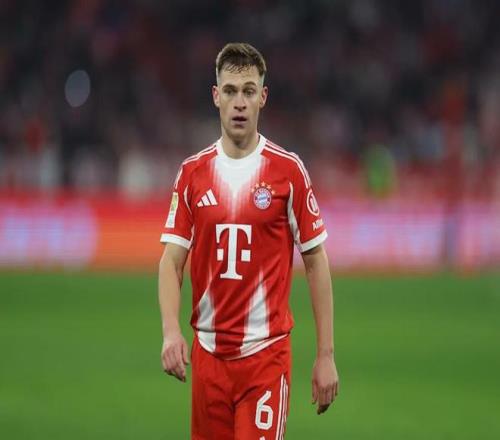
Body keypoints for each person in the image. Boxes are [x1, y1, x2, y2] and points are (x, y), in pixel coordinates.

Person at [158, 42, 339, 440]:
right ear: (215, 96)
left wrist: (325, 355)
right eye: (230, 90)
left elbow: (315, 260)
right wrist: (171, 331)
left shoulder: (288, 171)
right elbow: (171, 261)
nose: (239, 102)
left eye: (248, 91)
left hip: (265, 358)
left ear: (263, 97)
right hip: (208, 359)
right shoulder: (192, 173)